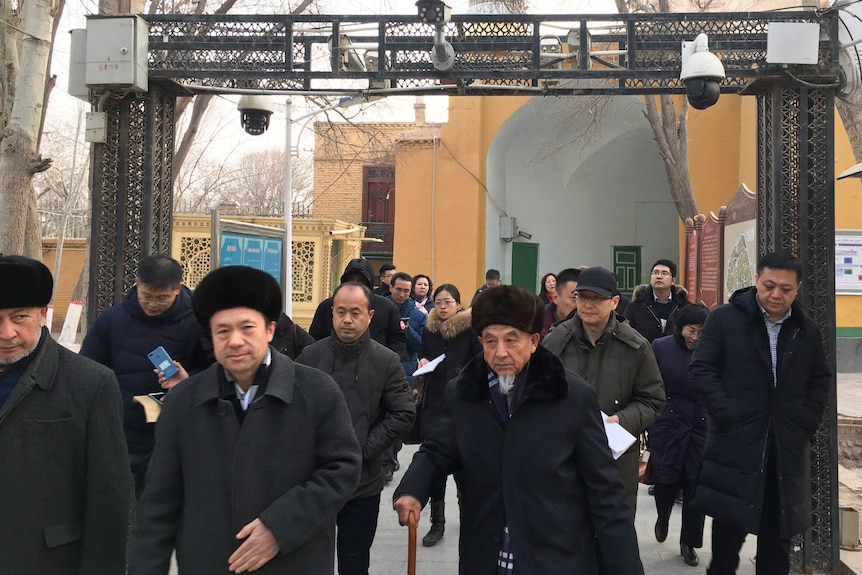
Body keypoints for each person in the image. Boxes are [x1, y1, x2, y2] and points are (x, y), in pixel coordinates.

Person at [393, 285, 645, 574]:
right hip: (486, 552)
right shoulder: (464, 393)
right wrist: (412, 489)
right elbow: (437, 451)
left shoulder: (572, 396)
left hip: (555, 555)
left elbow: (606, 491)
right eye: (491, 341)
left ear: (534, 341)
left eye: (512, 340)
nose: (500, 353)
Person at [129, 265, 362, 575]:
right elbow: (159, 503)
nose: (235, 341)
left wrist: (281, 527)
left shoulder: (316, 392)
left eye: (247, 328)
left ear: (268, 330)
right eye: (223, 331)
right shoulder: (184, 402)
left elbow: (342, 469)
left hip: (293, 561)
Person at [689, 252, 830, 575]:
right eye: (769, 286)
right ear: (756, 281)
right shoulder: (725, 319)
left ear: (797, 289)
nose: (776, 295)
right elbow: (701, 369)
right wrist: (726, 412)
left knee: (776, 546)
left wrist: (805, 422)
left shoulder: (806, 330)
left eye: (785, 288)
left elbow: (820, 379)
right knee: (726, 546)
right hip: (735, 447)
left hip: (784, 451)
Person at [0, 255, 132, 574]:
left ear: (43, 315)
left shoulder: (91, 383)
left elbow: (110, 500)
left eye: (20, 318)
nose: (6, 333)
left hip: (46, 561)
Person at [296, 282, 415, 575]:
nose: (347, 320)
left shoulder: (385, 360)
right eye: (340, 312)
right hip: (314, 481)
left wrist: (365, 449)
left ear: (370, 316)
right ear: (332, 314)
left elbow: (403, 412)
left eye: (355, 313)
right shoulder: (310, 358)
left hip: (362, 482)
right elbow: (290, 406)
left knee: (354, 560)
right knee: (309, 559)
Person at [80, 253, 212, 500]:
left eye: (161, 299)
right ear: (137, 285)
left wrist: (188, 382)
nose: (152, 304)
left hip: (176, 436)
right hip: (122, 433)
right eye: (147, 297)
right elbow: (88, 370)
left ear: (177, 289)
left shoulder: (199, 323)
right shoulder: (111, 320)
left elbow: (217, 372)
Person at [542, 266, 665, 515]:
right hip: (564, 453)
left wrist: (621, 420)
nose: (588, 304)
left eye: (597, 298)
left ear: (615, 302)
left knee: (611, 531)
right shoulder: (556, 341)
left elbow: (653, 400)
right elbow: (537, 390)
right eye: (583, 297)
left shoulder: (635, 347)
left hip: (615, 457)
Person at [415, 283, 483, 546]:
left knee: (465, 468)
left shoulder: (469, 328)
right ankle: (437, 522)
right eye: (439, 302)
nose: (443, 307)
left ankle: (469, 518)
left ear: (458, 303)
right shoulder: (430, 329)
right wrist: (422, 361)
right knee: (436, 467)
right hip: (434, 403)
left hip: (462, 403)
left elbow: (480, 360)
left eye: (448, 302)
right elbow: (424, 351)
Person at [649, 304, 710, 568]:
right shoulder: (660, 347)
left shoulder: (713, 349)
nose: (695, 337)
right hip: (668, 423)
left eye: (700, 332)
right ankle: (663, 515)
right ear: (679, 328)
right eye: (690, 330)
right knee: (666, 479)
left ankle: (689, 543)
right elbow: (649, 384)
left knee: (696, 485)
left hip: (701, 424)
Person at [309, 258, 406, 360]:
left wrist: (389, 363)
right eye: (351, 281)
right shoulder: (327, 305)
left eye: (360, 281)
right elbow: (316, 337)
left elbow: (398, 339)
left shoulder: (386, 307)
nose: (355, 285)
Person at [382, 272, 428, 481]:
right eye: (398, 289)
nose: (402, 294)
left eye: (406, 291)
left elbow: (420, 345)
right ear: (390, 287)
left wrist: (406, 329)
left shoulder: (418, 314)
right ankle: (386, 462)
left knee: (399, 416)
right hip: (382, 369)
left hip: (406, 369)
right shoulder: (381, 309)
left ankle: (392, 455)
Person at [625, 259, 690, 342]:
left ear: (673, 281)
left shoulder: (683, 306)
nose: (659, 276)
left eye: (664, 273)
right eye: (655, 273)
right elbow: (627, 333)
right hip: (644, 353)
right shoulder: (637, 305)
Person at [541, 267, 580, 339]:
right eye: (574, 298)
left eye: (583, 299)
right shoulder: (538, 324)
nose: (579, 305)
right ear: (555, 297)